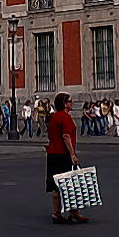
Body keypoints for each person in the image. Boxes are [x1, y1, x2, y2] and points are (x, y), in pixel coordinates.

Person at [45, 91, 89, 225]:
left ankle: (57, 213)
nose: (72, 103)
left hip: (52, 154)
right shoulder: (65, 117)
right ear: (64, 104)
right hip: (62, 154)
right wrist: (73, 154)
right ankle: (73, 212)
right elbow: (66, 136)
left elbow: (50, 135)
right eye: (70, 101)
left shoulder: (53, 117)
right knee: (69, 183)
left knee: (55, 185)